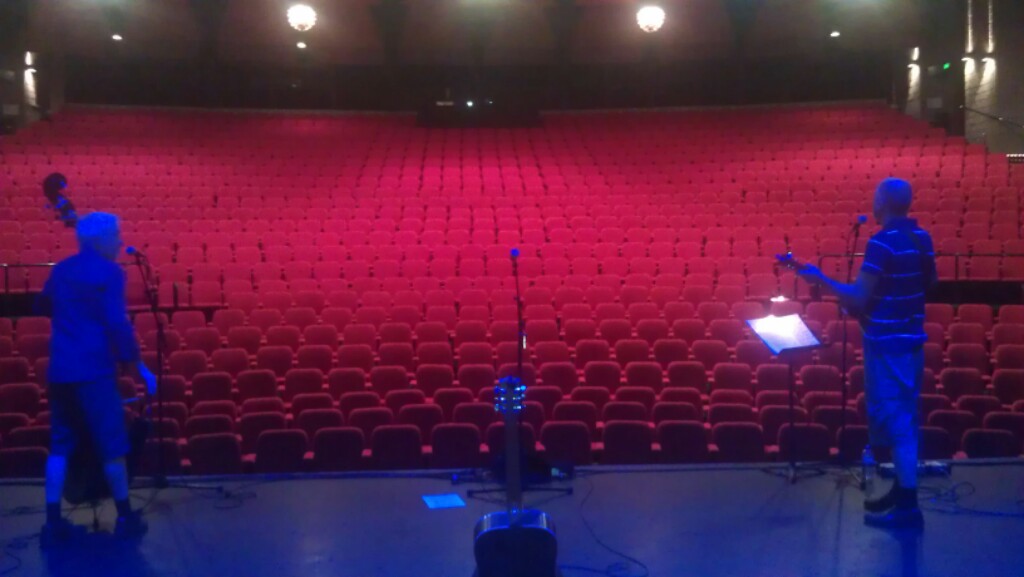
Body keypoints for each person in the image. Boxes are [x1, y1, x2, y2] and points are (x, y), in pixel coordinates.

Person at [795, 178, 936, 530]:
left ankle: (908, 508)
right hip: (911, 342)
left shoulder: (881, 242)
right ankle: (902, 491)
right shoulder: (923, 238)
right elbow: (928, 285)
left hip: (888, 346)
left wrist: (821, 280)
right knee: (904, 417)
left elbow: (858, 298)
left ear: (883, 203)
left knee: (898, 424)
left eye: (875, 196)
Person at [39, 212, 157, 547]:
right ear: (100, 239)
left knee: (59, 446)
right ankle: (125, 516)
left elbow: (41, 304)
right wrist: (138, 367)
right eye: (116, 235)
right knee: (112, 446)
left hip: (61, 369)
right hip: (94, 371)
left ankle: (52, 521)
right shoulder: (110, 272)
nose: (120, 241)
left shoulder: (61, 270)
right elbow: (118, 324)